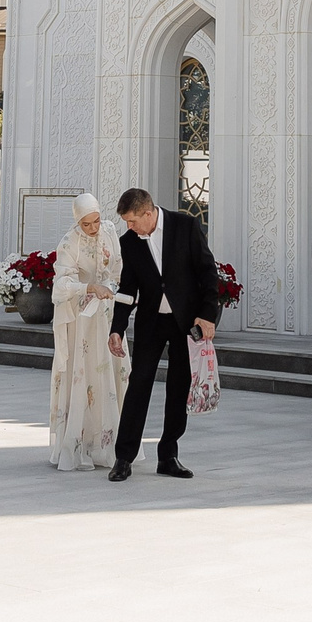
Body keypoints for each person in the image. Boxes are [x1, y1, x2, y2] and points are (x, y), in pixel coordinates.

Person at [106, 185, 221, 482]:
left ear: (148, 212)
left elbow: (208, 272)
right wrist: (117, 328)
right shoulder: (129, 242)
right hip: (151, 322)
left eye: (132, 221)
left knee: (178, 387)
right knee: (139, 384)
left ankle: (168, 455)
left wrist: (208, 315)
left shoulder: (186, 226)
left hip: (186, 322)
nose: (129, 227)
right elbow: (127, 289)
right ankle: (123, 457)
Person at [47, 191, 125, 472]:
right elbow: (61, 286)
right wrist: (90, 288)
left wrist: (111, 288)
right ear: (77, 221)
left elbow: (117, 267)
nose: (92, 228)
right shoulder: (69, 243)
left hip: (107, 314)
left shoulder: (109, 231)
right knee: (85, 373)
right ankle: (78, 445)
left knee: (109, 373)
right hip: (80, 320)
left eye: (95, 221)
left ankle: (109, 445)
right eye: (86, 224)